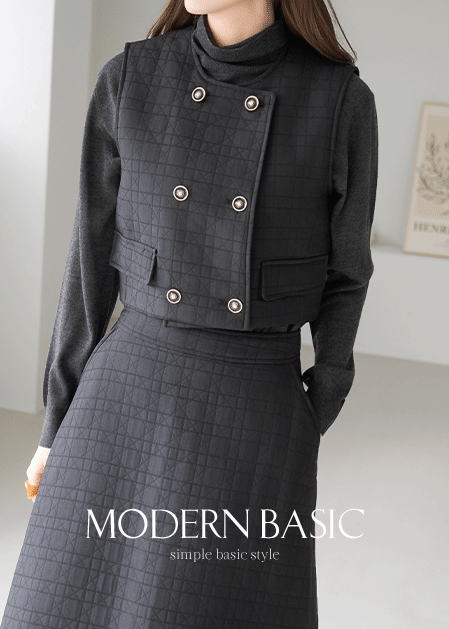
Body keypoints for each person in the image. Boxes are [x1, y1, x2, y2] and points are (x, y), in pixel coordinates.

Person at [1, 0, 378, 627]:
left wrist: (316, 402)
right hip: (123, 393)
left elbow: (348, 274)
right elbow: (89, 259)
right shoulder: (131, 77)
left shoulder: (339, 101)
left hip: (252, 404)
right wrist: (55, 423)